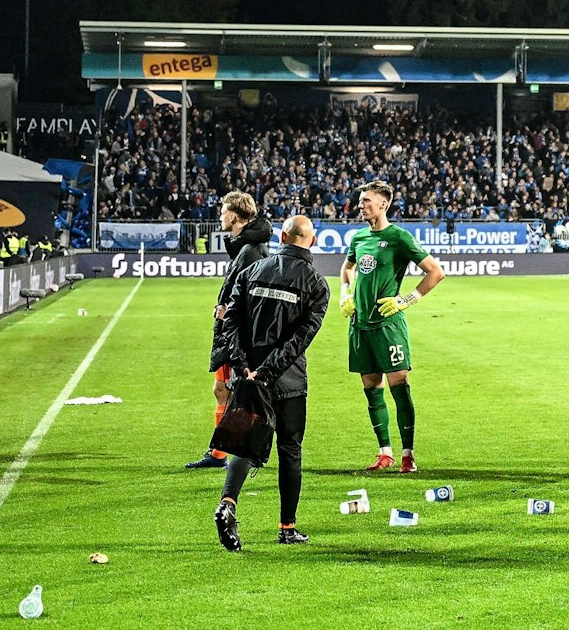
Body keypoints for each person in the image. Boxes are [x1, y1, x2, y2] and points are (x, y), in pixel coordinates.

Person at [213, 214, 330, 550]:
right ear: (312, 240)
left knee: (246, 443)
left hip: (248, 377)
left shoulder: (252, 271)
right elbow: (299, 340)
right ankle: (287, 527)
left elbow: (229, 321)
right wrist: (267, 371)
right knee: (290, 450)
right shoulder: (317, 284)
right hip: (288, 381)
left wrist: (244, 366)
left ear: (282, 236)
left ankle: (228, 504)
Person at [341, 181, 445, 473]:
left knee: (400, 386)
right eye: (361, 201)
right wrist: (345, 295)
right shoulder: (359, 238)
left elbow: (436, 272)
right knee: (371, 386)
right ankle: (384, 452)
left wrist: (406, 299)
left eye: (367, 201)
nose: (361, 205)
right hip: (360, 324)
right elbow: (346, 268)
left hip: (388, 325)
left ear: (383, 204)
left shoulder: (399, 236)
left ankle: (408, 455)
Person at [187, 191, 273, 469]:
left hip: (239, 334)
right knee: (222, 389)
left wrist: (230, 311)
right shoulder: (246, 246)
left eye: (223, 212)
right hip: (233, 330)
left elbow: (254, 293)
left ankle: (242, 453)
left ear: (234, 215)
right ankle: (221, 453)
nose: (220, 216)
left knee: (238, 390)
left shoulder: (250, 251)